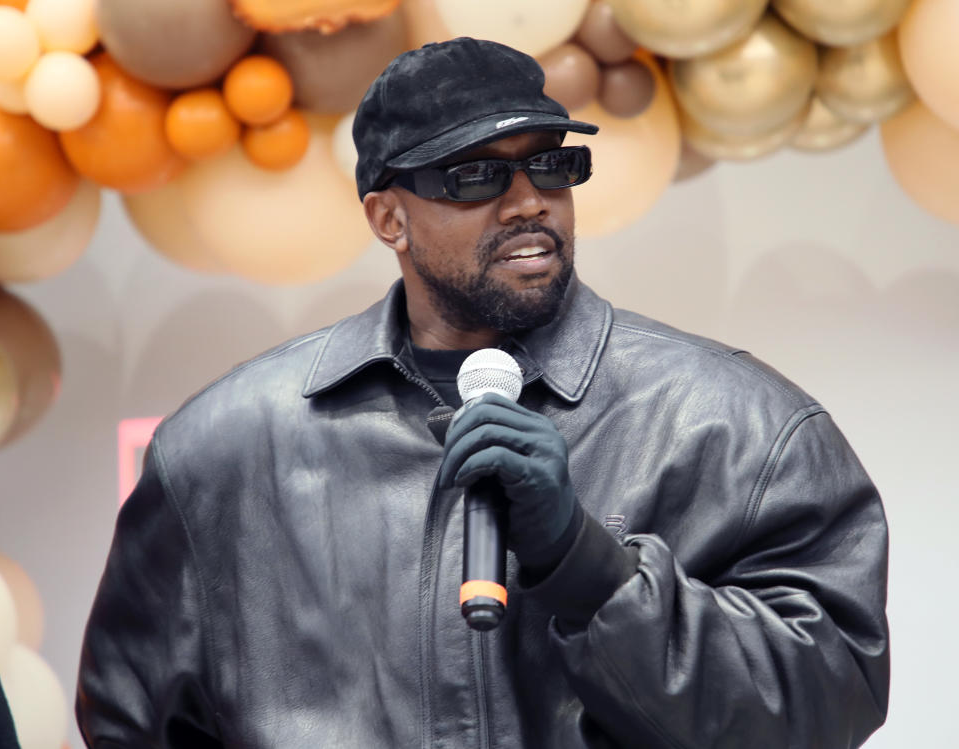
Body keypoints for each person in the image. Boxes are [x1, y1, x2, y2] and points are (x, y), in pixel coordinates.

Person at [76, 37, 889, 748]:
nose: (530, 199)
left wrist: (589, 567)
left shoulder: (739, 425)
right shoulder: (223, 451)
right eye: (474, 176)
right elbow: (129, 721)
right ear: (388, 218)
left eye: (552, 164)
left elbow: (828, 705)